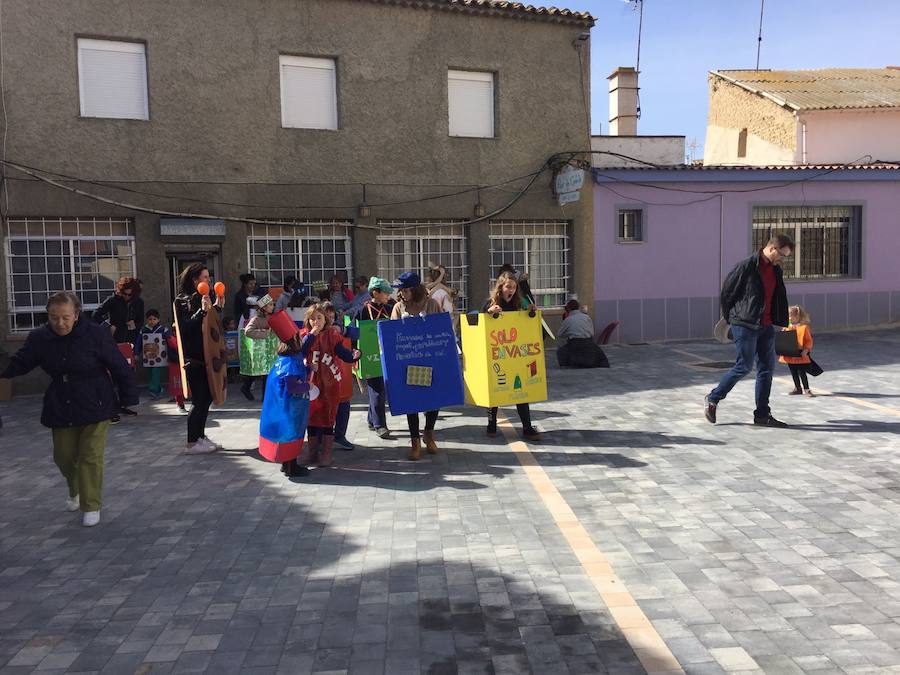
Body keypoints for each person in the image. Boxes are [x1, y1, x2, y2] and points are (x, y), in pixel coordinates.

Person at [0, 292, 138, 527]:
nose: (60, 323)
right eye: (54, 318)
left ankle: (91, 504)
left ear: (76, 315)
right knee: (63, 455)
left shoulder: (94, 334)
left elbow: (117, 364)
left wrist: (127, 398)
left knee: (90, 455)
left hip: (96, 398)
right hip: (62, 401)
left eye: (65, 317)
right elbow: (19, 363)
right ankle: (75, 489)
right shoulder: (39, 338)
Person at [704, 233, 794, 428]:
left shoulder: (775, 270)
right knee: (743, 366)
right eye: (782, 255)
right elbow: (728, 292)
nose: (783, 259)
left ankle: (762, 415)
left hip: (766, 326)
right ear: (772, 248)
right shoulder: (746, 266)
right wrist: (732, 318)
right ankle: (713, 398)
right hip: (745, 325)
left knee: (766, 369)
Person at [391, 271, 443, 460]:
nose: (402, 293)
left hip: (429, 358)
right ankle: (414, 440)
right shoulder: (398, 307)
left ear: (415, 289)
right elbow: (393, 333)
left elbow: (441, 329)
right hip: (408, 361)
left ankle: (428, 433)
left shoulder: (432, 304)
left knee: (432, 398)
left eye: (405, 290)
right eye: (400, 290)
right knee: (411, 400)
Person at [483, 272, 541, 441]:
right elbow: (480, 321)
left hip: (515, 355)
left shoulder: (519, 304)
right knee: (494, 390)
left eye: (514, 287)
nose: (511, 290)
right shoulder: (490, 303)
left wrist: (531, 312)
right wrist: (488, 311)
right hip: (496, 355)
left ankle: (527, 427)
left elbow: (528, 322)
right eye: (508, 286)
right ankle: (491, 425)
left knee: (521, 390)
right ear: (500, 287)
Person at [174, 262, 225, 453]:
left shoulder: (206, 297)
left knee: (207, 398)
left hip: (208, 355)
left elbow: (209, 325)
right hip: (193, 357)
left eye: (208, 278)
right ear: (195, 280)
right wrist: (202, 310)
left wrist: (217, 307)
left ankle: (200, 436)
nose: (208, 281)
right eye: (205, 278)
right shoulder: (182, 300)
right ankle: (191, 442)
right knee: (199, 399)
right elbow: (186, 326)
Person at [300, 304, 359, 467]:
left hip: (330, 383)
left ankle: (326, 453)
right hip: (311, 384)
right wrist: (312, 334)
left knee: (328, 417)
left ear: (326, 319)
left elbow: (342, 353)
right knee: (311, 418)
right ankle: (312, 453)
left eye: (319, 318)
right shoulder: (304, 334)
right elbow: (301, 351)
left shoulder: (332, 335)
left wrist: (354, 356)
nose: (316, 321)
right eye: (312, 318)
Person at [259, 332, 312, 478]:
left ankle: (286, 464)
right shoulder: (291, 362)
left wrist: (308, 369)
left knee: (285, 435)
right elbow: (292, 386)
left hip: (282, 407)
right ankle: (291, 467)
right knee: (291, 435)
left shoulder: (283, 359)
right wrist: (309, 386)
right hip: (291, 407)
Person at [351, 277, 395, 439]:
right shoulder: (362, 311)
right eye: (385, 293)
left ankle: (372, 419)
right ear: (375, 293)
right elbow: (353, 331)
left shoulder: (390, 308)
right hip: (369, 356)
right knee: (377, 389)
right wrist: (354, 351)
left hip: (386, 354)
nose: (388, 296)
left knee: (379, 388)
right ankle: (380, 425)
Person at [93, 276, 143, 418]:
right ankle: (111, 407)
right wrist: (109, 326)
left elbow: (141, 321)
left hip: (129, 342)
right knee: (111, 375)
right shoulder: (113, 300)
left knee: (127, 375)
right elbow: (96, 315)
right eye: (125, 294)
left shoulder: (138, 302)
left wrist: (136, 324)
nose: (127, 297)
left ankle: (123, 405)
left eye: (130, 295)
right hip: (113, 342)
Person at [321, 302, 356, 451]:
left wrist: (343, 329)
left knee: (343, 404)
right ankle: (321, 440)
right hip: (322, 377)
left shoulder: (338, 328)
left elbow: (356, 333)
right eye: (326, 315)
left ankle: (340, 436)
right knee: (323, 408)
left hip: (340, 374)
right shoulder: (315, 333)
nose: (330, 318)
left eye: (332, 314)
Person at [239, 294, 277, 401]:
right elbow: (248, 331)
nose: (272, 306)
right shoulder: (256, 319)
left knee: (267, 372)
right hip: (259, 351)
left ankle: (265, 397)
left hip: (270, 350)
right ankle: (247, 388)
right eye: (270, 305)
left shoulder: (273, 317)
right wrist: (264, 333)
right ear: (263, 308)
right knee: (259, 372)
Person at [556, 299, 609, 368]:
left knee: (561, 351)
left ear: (568, 309)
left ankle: (569, 364)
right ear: (578, 307)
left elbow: (560, 334)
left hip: (575, 344)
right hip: (589, 343)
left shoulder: (568, 320)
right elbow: (592, 333)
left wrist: (570, 333)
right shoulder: (586, 317)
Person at [780, 305, 815, 397]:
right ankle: (797, 388)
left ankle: (806, 389)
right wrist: (783, 332)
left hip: (800, 354)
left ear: (797, 316)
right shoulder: (788, 327)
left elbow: (808, 340)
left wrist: (806, 350)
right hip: (790, 354)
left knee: (802, 372)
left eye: (790, 315)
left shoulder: (804, 328)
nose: (788, 318)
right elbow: (785, 339)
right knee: (793, 372)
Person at [136, 308, 171, 399]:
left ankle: (153, 389)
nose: (152, 321)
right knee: (151, 372)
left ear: (158, 319)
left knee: (156, 372)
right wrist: (136, 353)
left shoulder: (163, 329)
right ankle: (159, 389)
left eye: (154, 319)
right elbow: (139, 342)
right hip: (148, 356)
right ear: (147, 320)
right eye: (150, 319)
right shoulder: (144, 330)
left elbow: (170, 340)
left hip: (159, 356)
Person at [166, 328, 187, 413]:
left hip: (184, 362)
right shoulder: (170, 339)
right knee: (178, 385)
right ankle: (180, 404)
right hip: (175, 364)